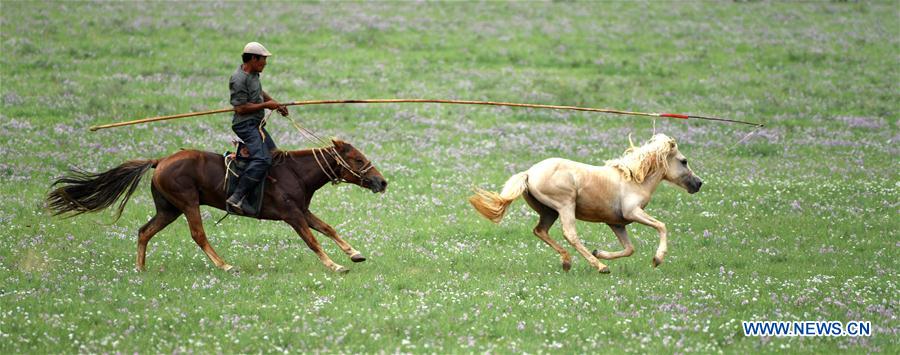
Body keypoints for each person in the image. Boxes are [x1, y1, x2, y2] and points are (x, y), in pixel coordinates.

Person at [226, 42, 289, 212]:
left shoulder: (254, 74)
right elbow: (240, 108)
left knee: (274, 156)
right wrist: (267, 105)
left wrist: (275, 104)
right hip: (245, 125)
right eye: (263, 60)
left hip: (256, 124)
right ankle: (236, 198)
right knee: (263, 159)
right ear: (253, 59)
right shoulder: (238, 79)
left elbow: (259, 93)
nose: (265, 63)